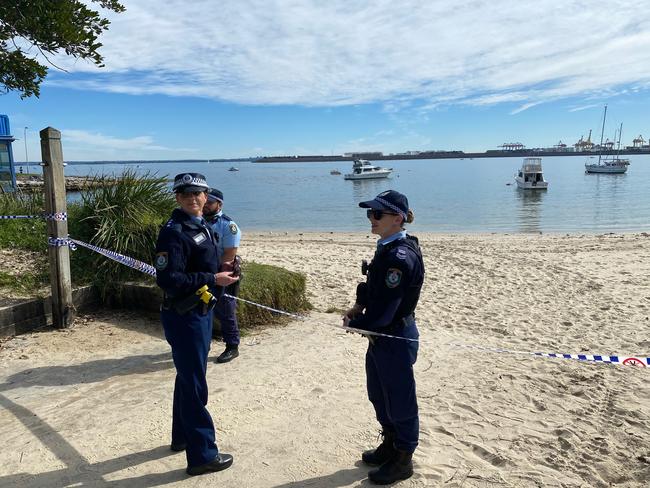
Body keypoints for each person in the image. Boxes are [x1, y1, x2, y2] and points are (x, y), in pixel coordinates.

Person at [154, 173, 239, 476]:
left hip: (200, 311)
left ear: (207, 196)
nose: (193, 199)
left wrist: (224, 270)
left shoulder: (202, 224)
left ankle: (181, 437)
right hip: (184, 315)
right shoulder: (174, 232)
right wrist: (211, 279)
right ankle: (202, 455)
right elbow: (168, 279)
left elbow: (203, 263)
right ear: (177, 197)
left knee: (188, 376)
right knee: (194, 384)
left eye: (198, 193)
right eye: (186, 194)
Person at [343, 190, 424, 485]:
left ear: (398, 219)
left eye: (377, 214)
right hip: (380, 337)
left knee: (400, 399)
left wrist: (357, 323)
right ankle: (390, 443)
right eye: (369, 214)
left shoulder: (400, 257)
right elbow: (371, 286)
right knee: (378, 393)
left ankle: (403, 458)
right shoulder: (386, 247)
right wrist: (358, 306)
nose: (371, 219)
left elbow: (385, 314)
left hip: (394, 336)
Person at [203, 188, 242, 363]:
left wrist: (218, 276)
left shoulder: (228, 225)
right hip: (204, 274)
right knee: (203, 310)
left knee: (226, 310)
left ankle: (232, 346)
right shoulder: (198, 221)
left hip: (223, 273)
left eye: (210, 202)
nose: (205, 205)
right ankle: (204, 345)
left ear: (219, 204)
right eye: (205, 201)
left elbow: (229, 254)